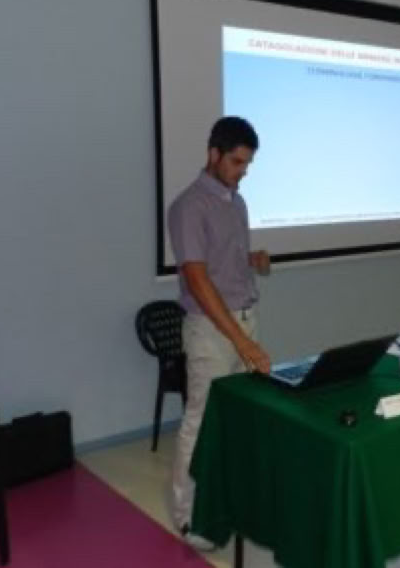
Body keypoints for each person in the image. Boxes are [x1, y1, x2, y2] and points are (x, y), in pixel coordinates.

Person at [167, 116, 272, 551]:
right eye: (236, 162)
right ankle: (188, 514)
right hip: (210, 329)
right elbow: (197, 279)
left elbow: (222, 260)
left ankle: (232, 500)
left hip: (244, 317)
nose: (242, 171)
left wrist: (251, 260)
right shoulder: (188, 206)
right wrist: (242, 342)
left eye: (247, 164)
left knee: (240, 417)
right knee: (201, 420)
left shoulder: (237, 202)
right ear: (213, 154)